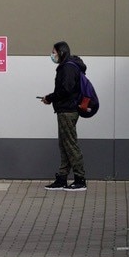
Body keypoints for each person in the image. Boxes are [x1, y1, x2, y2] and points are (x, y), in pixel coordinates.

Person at [40, 41, 87, 192]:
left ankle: (80, 179)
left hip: (67, 110)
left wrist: (50, 97)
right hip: (66, 110)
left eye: (53, 52)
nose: (52, 55)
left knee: (70, 144)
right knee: (64, 145)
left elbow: (65, 90)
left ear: (61, 52)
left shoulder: (67, 67)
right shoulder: (70, 66)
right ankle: (62, 178)